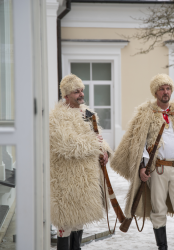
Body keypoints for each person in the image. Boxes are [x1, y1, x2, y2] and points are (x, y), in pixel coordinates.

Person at [111, 73, 174, 250]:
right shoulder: (146, 115)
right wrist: (142, 168)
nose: (165, 92)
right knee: (158, 210)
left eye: (168, 89)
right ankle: (162, 247)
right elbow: (139, 144)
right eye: (162, 89)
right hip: (157, 171)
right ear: (155, 93)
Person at [49, 74, 112, 250]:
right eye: (76, 92)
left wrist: (105, 151)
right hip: (66, 182)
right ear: (66, 95)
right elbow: (66, 145)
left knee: (79, 222)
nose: (81, 94)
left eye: (82, 90)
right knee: (65, 225)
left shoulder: (88, 113)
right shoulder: (56, 117)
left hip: (86, 181)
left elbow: (97, 137)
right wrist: (95, 146)